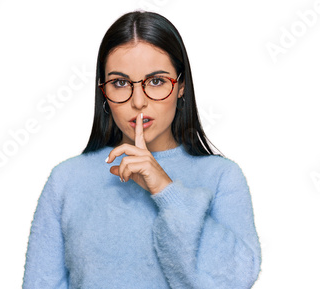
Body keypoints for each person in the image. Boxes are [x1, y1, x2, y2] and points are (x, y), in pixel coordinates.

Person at [23, 10, 261, 289]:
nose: (138, 101)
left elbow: (235, 280)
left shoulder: (222, 177)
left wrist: (165, 190)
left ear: (181, 86)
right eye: (120, 83)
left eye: (157, 81)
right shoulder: (66, 180)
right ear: (104, 92)